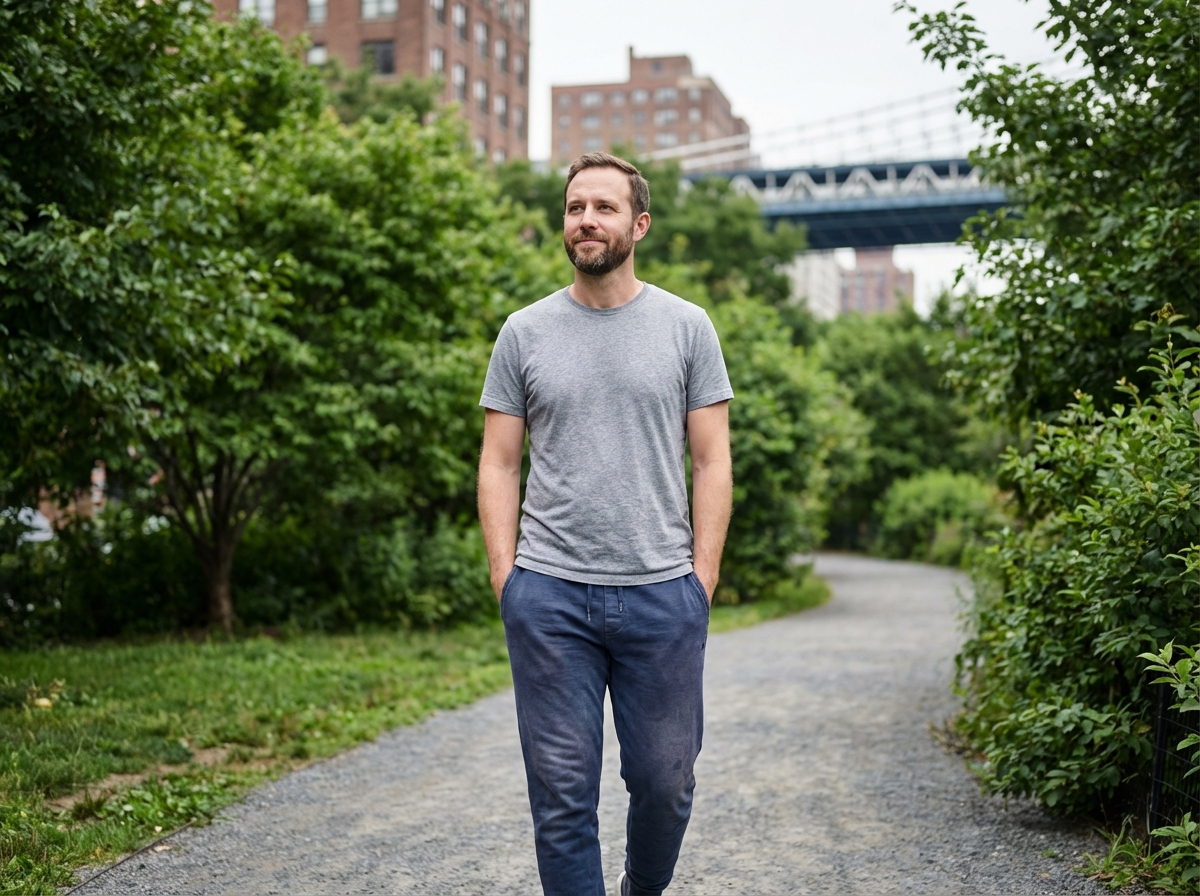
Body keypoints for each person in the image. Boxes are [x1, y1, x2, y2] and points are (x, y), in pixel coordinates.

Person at [477, 151, 734, 896]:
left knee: (665, 782)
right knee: (561, 797)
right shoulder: (523, 333)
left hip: (662, 594)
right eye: (574, 208)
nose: (586, 220)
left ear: (639, 224)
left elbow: (712, 461)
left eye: (604, 207)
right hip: (550, 597)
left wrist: (701, 579)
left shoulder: (687, 327)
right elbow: (498, 463)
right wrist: (508, 579)